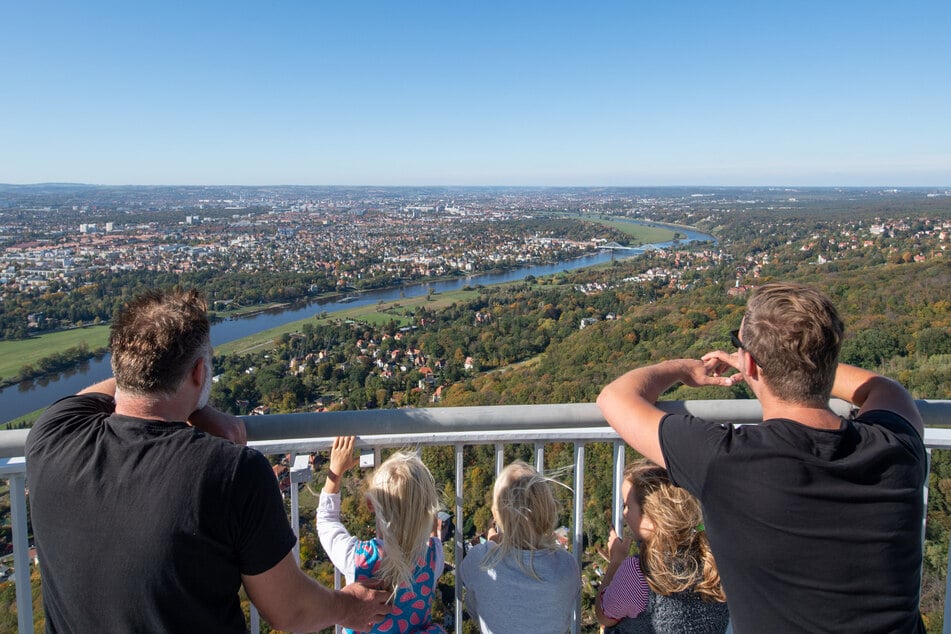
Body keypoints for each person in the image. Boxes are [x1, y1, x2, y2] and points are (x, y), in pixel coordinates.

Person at [25, 288, 391, 632]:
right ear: (199, 373)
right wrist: (348, 606)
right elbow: (289, 609)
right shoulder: (231, 472)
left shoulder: (52, 434)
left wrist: (178, 395)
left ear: (122, 365)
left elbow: (107, 392)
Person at [597, 282, 927, 633]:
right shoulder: (896, 446)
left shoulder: (729, 462)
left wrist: (681, 368)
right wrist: (806, 364)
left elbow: (614, 398)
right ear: (828, 361)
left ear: (750, 364)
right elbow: (884, 388)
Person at [317, 436, 446, 634]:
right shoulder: (433, 555)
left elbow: (326, 521)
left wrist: (336, 471)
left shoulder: (357, 558)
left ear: (371, 505)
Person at [595, 460, 728, 634]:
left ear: (650, 518)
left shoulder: (639, 572)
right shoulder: (714, 558)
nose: (624, 513)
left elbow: (604, 615)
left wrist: (616, 562)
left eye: (627, 505)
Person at [459, 461, 581, 634]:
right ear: (547, 510)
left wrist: (492, 546)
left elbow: (474, 607)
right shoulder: (566, 565)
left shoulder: (480, 561)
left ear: (497, 515)